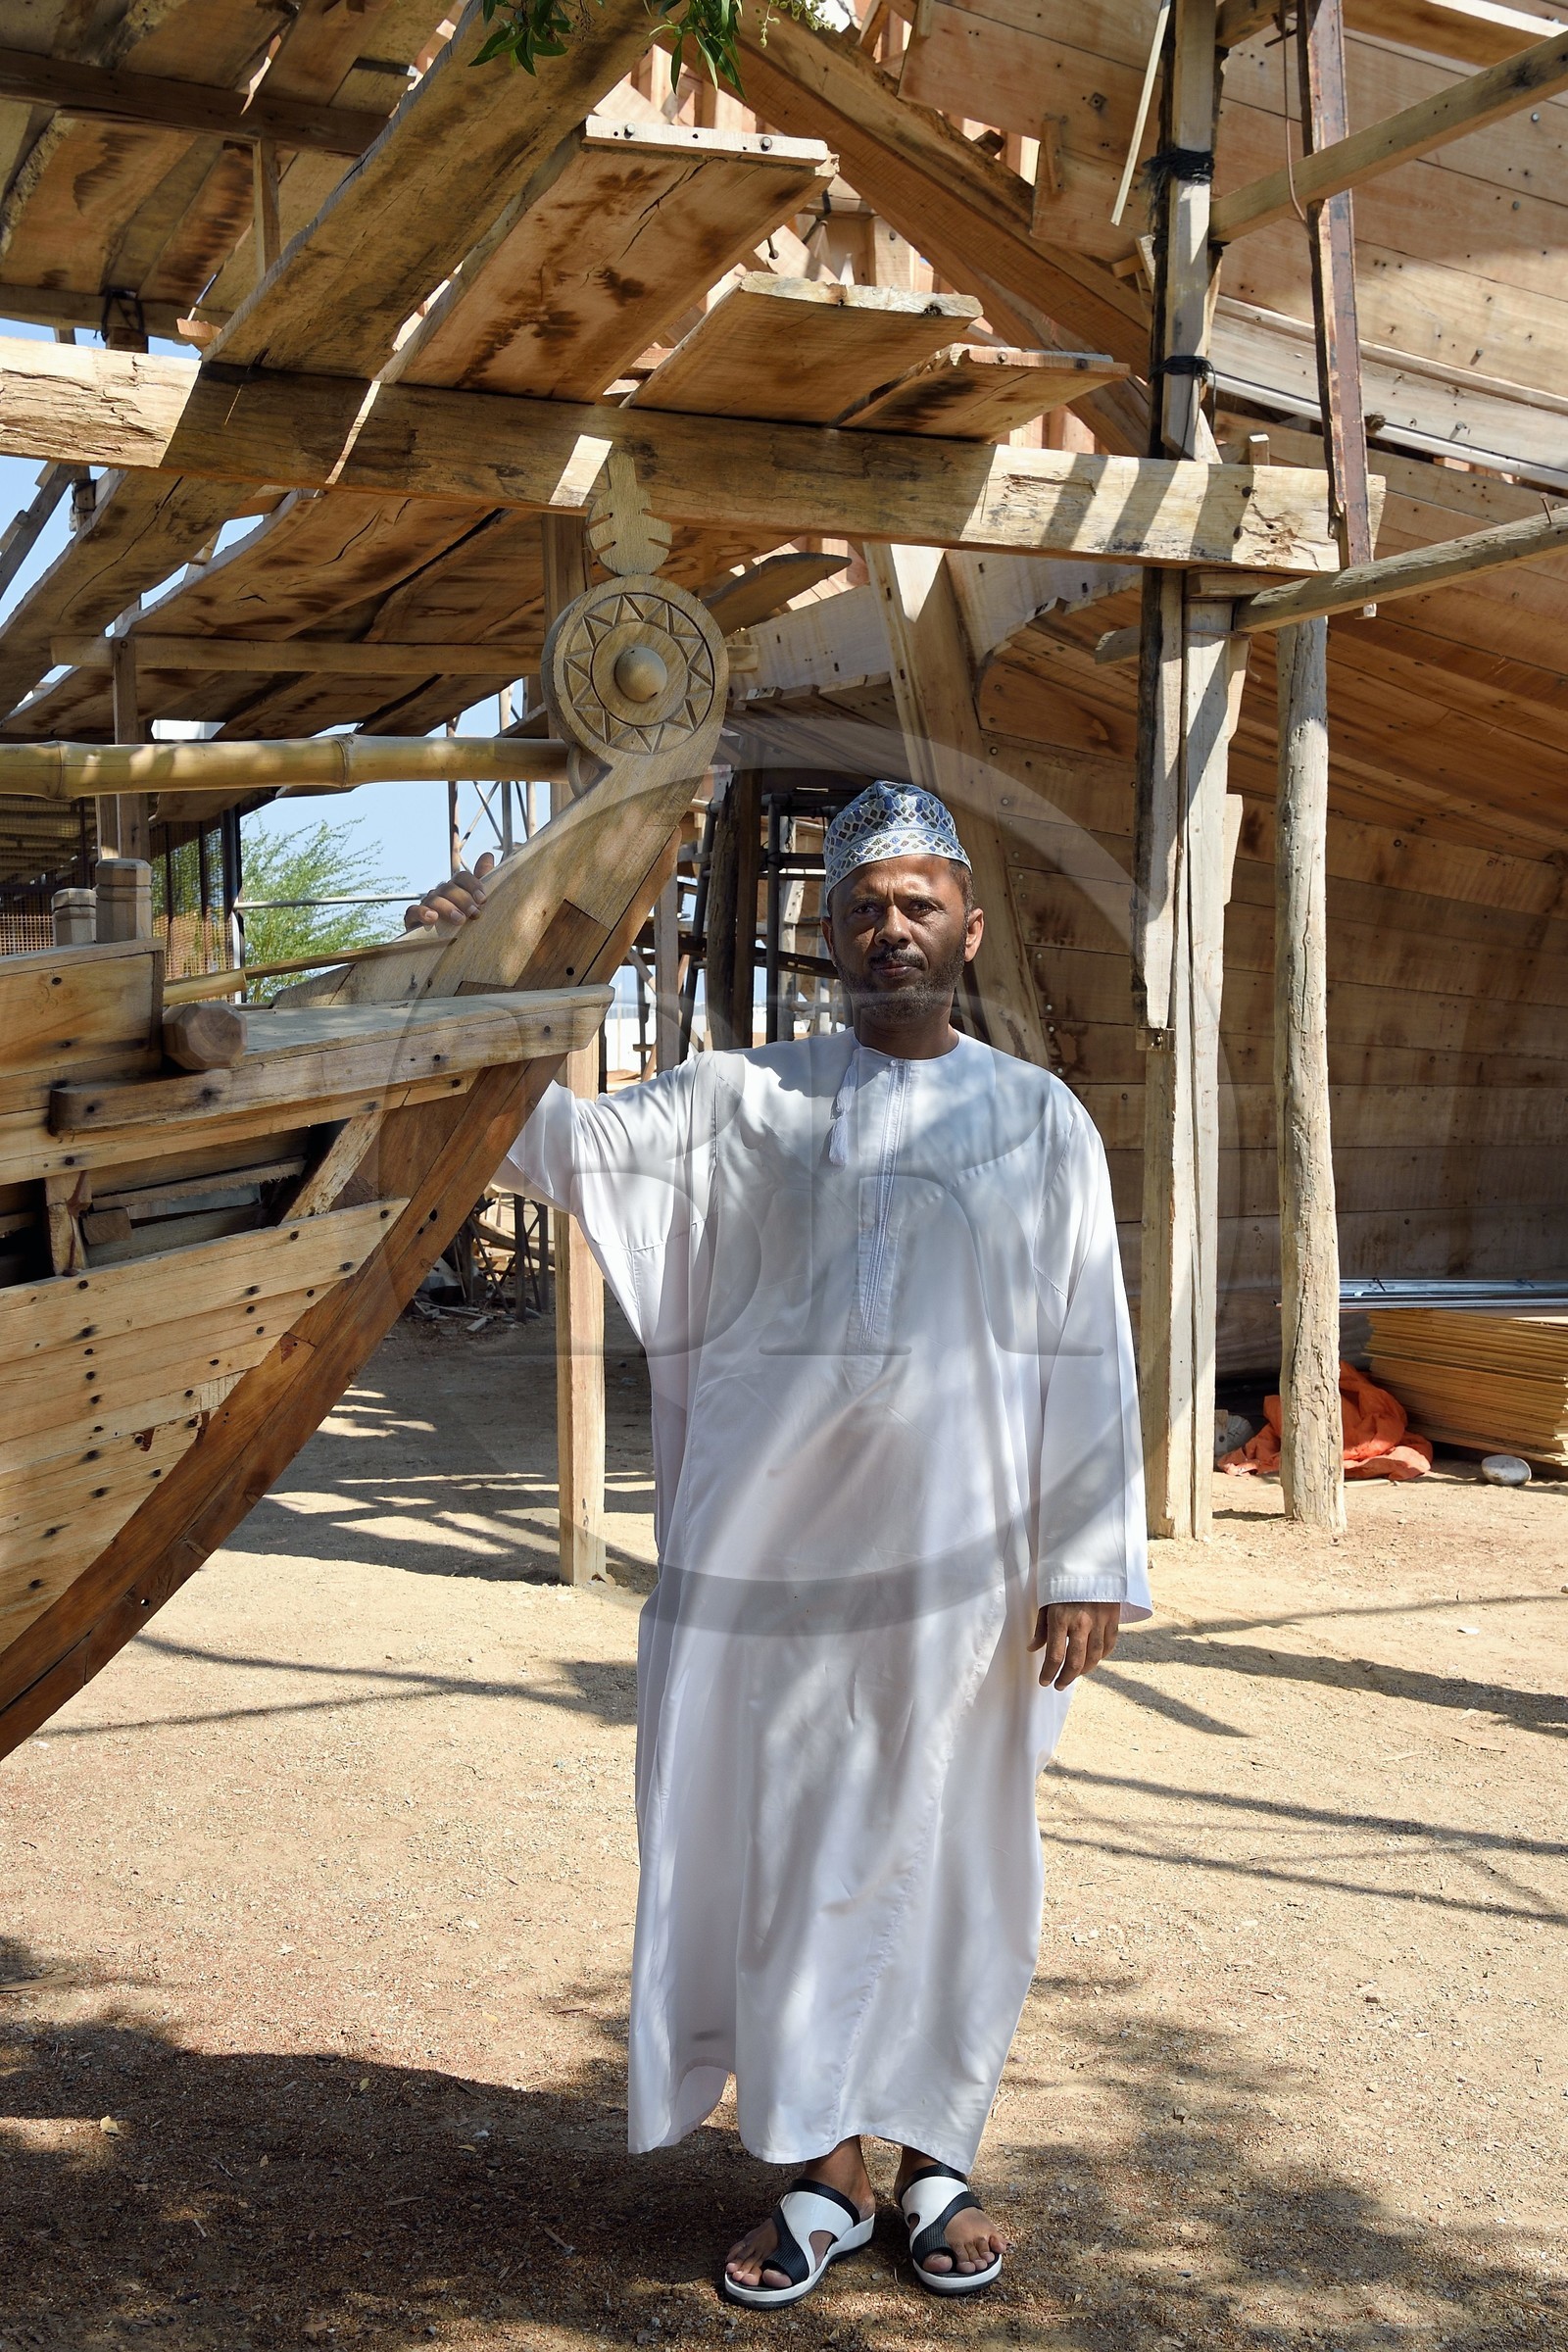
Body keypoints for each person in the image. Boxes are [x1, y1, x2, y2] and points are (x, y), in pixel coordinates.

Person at [407, 781, 1150, 2307]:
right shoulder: (740, 1102)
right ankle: (818, 2171)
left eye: (918, 904)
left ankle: (932, 2154)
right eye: (863, 909)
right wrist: (466, 980)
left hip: (969, 1589)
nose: (891, 929)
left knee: (959, 1864)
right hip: (771, 1590)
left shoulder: (1037, 1120)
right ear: (829, 937)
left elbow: (1095, 1348)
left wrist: (1090, 1552)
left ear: (967, 926)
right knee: (793, 1863)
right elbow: (549, 1147)